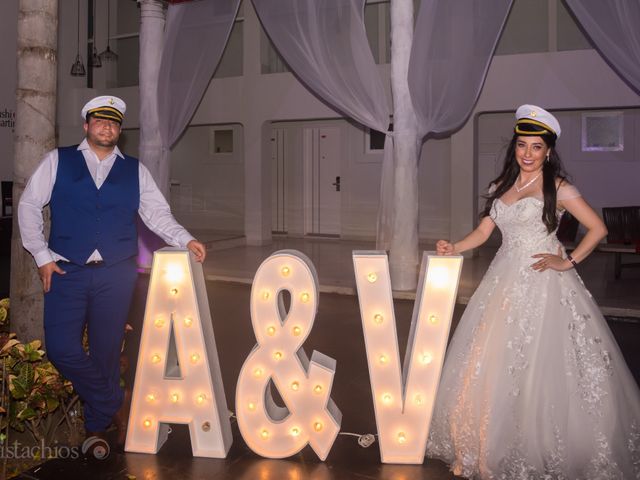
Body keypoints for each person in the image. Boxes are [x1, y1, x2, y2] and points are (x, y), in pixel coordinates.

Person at [426, 105, 640, 479]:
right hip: (502, 282)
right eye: (522, 145)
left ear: (549, 152)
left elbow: (598, 228)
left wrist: (568, 261)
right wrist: (454, 247)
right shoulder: (500, 187)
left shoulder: (558, 188)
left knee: (543, 365)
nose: (527, 153)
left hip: (543, 286)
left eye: (536, 147)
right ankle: (483, 442)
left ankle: (536, 442)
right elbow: (482, 233)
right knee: (491, 360)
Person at [18, 96, 207, 449]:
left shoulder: (135, 170)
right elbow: (29, 205)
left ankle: (96, 426)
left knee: (106, 352)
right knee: (61, 349)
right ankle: (118, 403)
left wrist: (186, 238)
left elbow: (157, 214)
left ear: (119, 130)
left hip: (117, 274)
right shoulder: (59, 160)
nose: (107, 126)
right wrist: (42, 256)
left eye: (114, 122)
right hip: (65, 271)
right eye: (100, 120)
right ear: (87, 125)